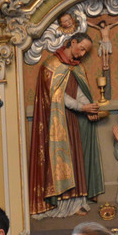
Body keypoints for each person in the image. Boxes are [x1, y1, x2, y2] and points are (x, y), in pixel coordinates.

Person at [28, 33, 104, 218]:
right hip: (56, 122)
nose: (83, 54)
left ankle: (77, 202)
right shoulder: (51, 65)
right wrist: (82, 107)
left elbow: (79, 91)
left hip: (75, 121)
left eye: (86, 52)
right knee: (60, 161)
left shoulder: (77, 67)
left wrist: (89, 107)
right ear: (73, 42)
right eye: (82, 48)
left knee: (76, 159)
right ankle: (61, 204)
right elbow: (57, 96)